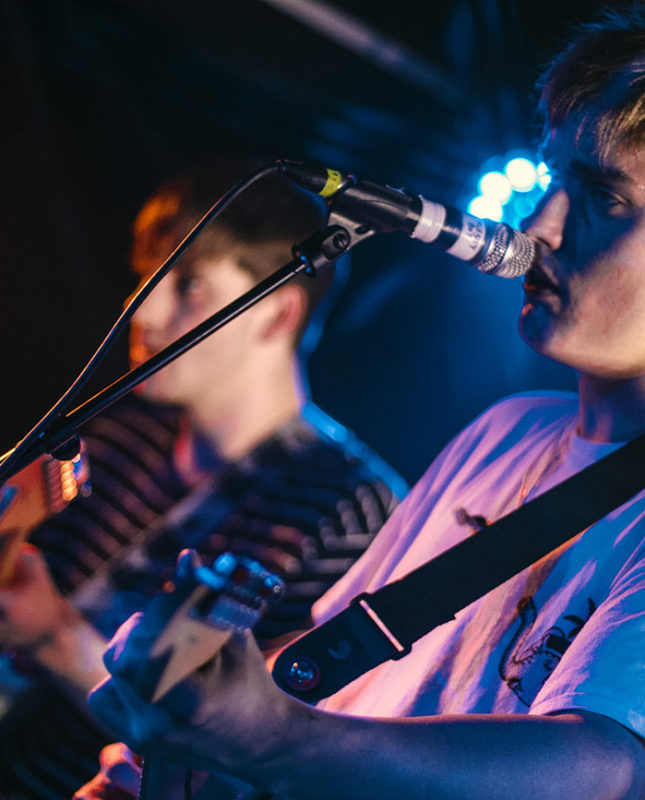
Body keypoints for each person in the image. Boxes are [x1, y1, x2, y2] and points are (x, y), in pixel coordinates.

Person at [81, 6, 645, 800]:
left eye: (603, 196)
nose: (538, 221)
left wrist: (273, 741)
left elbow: (604, 770)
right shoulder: (505, 433)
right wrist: (197, 729)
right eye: (551, 177)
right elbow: (337, 663)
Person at [0, 162, 404, 800]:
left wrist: (54, 637)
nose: (143, 308)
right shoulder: (117, 433)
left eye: (186, 284)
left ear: (276, 315)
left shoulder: (355, 511)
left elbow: (252, 754)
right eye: (146, 277)